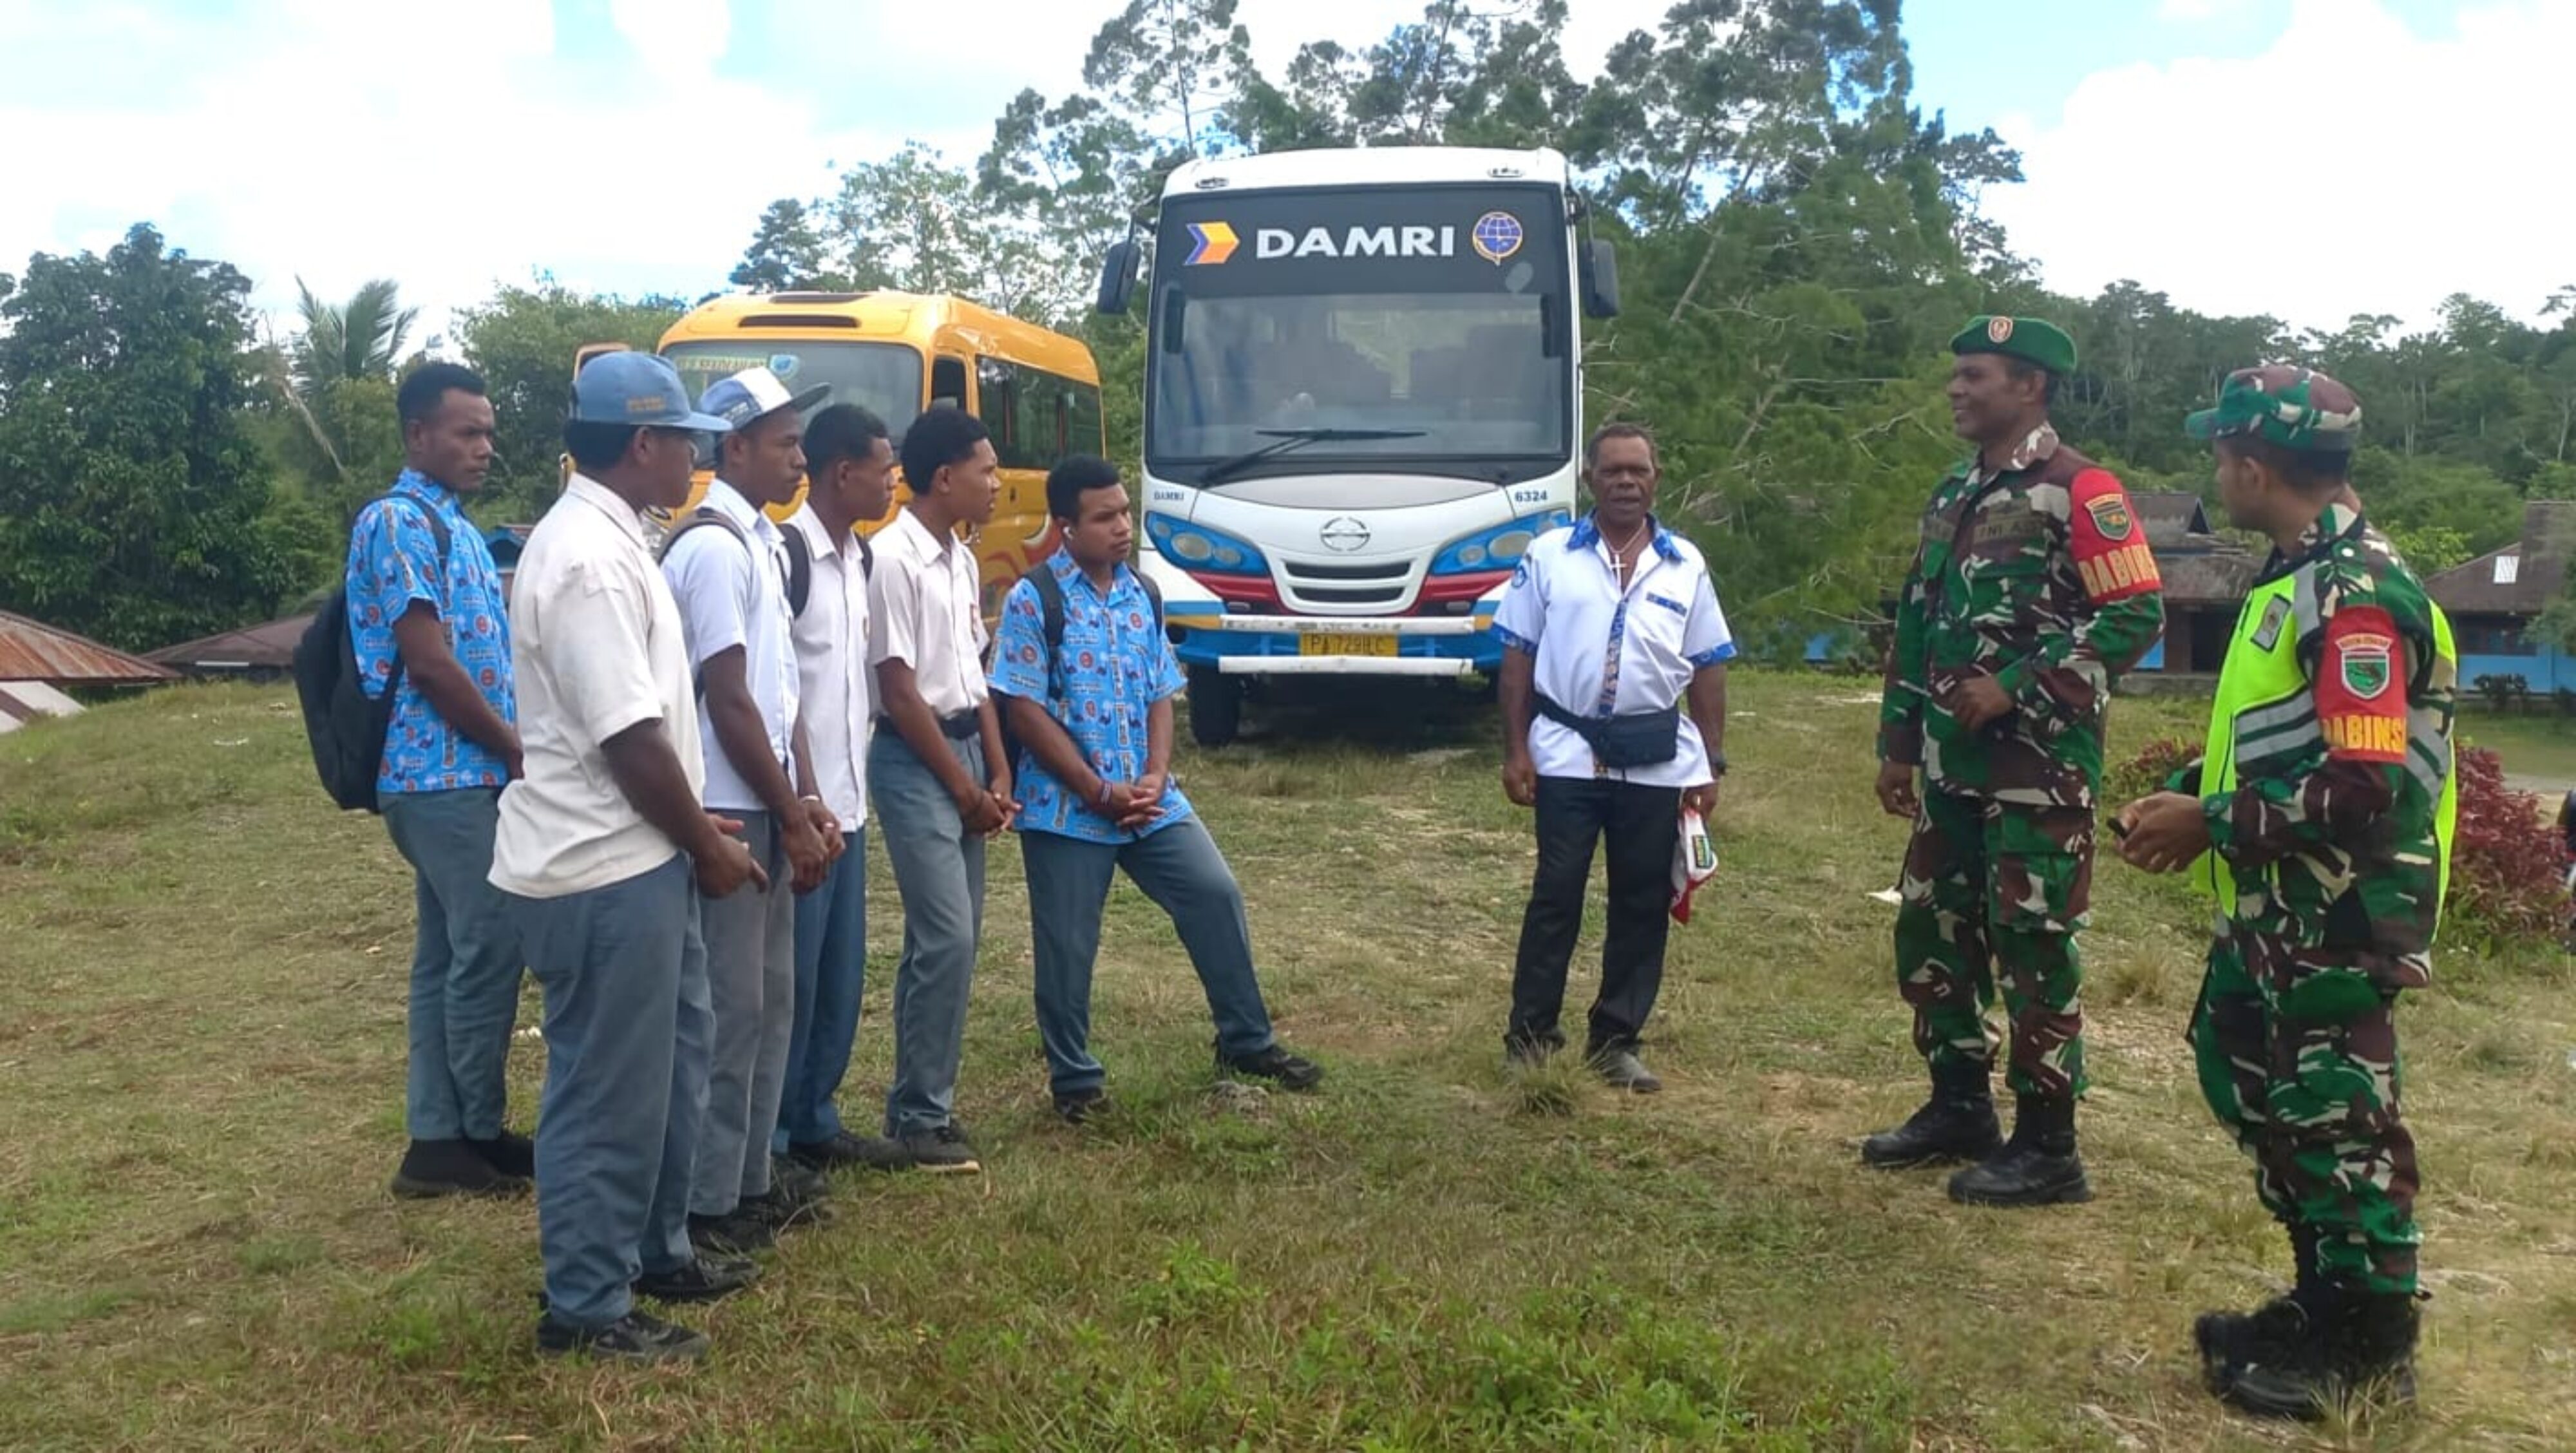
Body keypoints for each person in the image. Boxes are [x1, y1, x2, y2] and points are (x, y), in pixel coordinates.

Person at [2114, 366, 2453, 1420]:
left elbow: (2365, 782)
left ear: (2254, 467)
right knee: (2244, 1075)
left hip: (2341, 915)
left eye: (2223, 455)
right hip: (2276, 907)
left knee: (2336, 1119)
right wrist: (2187, 793)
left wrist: (2210, 825)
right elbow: (2285, 741)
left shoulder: (2357, 595)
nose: (2218, 470)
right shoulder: (2297, 577)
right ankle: (2322, 1297)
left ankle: (2370, 1347)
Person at [493, 351, 766, 1363]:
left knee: (671, 1065)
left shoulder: (619, 540)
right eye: (687, 441)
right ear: (643, 443)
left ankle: (654, 1250)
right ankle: (586, 1310)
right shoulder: (589, 561)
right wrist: (707, 843)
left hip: (641, 856)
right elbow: (628, 737)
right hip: (604, 867)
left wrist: (690, 837)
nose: (698, 457)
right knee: (609, 1091)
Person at [1864, 316, 2164, 1207]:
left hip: (2040, 773)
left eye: (1975, 376)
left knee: (2035, 950)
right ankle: (1959, 1107)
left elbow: (2135, 615)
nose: (1956, 389)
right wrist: (1897, 743)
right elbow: (1918, 623)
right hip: (1951, 769)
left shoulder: (2081, 490)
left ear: (2028, 386)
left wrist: (2019, 686)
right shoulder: (1955, 490)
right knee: (1932, 932)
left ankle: (2048, 1146)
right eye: (1956, 375)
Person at [992, 456, 1324, 1122]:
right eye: (1104, 516)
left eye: (1124, 511)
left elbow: (1160, 690)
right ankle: (1075, 1083)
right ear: (1065, 527)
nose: (1121, 527)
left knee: (1214, 894)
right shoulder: (1035, 599)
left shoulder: (1141, 593)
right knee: (1067, 944)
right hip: (1068, 808)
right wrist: (1092, 788)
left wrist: (1152, 775)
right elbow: (1022, 709)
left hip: (1149, 801)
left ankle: (1245, 1041)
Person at [661, 366, 844, 1254]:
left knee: (772, 1002)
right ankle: (706, 1201)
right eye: (785, 444)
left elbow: (781, 696)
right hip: (729, 807)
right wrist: (787, 808)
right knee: (732, 1011)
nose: (800, 460)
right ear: (732, 448)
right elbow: (728, 702)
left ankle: (749, 1183)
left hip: (768, 801)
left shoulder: (763, 544)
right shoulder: (710, 550)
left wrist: (806, 797)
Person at [1494, 422, 1731, 1094]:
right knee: (1555, 897)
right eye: (1613, 472)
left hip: (1654, 759)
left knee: (1640, 901)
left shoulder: (1684, 563)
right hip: (1566, 754)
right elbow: (1517, 658)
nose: (1626, 482)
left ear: (1657, 479)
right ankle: (1531, 1036)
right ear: (1589, 480)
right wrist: (1516, 751)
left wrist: (1709, 761)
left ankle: (1616, 1039)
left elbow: (1709, 665)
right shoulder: (1548, 556)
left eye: (1640, 471)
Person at [346, 363, 529, 1199]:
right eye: (466, 432)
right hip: (437, 774)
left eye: (488, 432)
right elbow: (428, 662)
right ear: (418, 435)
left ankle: (439, 1138)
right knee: (491, 941)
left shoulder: (452, 523)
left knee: (447, 955)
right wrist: (511, 745)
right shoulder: (397, 521)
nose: (483, 447)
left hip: (463, 772)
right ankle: (469, 1133)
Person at [867, 405, 1014, 1172]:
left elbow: (975, 675)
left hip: (961, 750)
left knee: (954, 942)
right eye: (986, 471)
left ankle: (926, 1106)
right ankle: (919, 1116)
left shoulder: (958, 557)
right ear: (944, 477)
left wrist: (997, 769)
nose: (996, 484)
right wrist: (963, 789)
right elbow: (898, 689)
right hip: (912, 758)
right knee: (945, 935)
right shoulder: (891, 558)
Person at [774, 403, 909, 1170]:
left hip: (849, 807)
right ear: (842, 471)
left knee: (837, 975)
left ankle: (816, 1120)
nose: (892, 482)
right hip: (803, 807)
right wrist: (798, 800)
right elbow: (773, 693)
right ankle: (778, 1141)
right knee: (788, 983)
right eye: (883, 469)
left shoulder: (859, 560)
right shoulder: (789, 558)